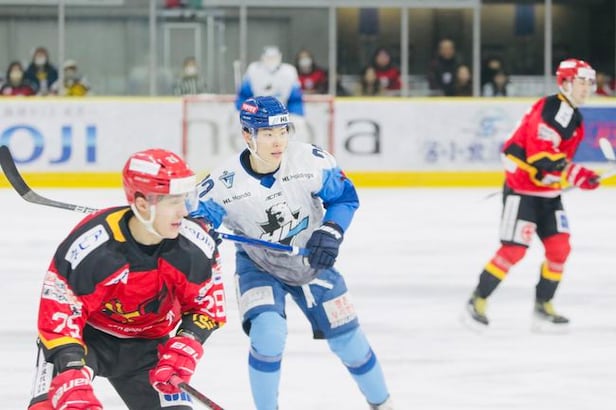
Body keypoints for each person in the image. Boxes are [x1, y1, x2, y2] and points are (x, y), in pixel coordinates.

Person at [193, 96, 394, 410]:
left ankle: (384, 405)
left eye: (283, 131)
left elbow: (344, 197)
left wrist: (331, 231)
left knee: (349, 342)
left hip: (312, 260)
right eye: (268, 134)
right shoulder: (222, 183)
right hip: (258, 265)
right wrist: (201, 234)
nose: (278, 141)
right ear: (247, 135)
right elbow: (196, 225)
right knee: (268, 333)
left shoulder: (310, 161)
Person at [27, 148, 227, 409]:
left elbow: (206, 306)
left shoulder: (195, 247)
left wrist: (187, 341)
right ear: (142, 204)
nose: (183, 212)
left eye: (185, 200)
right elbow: (59, 309)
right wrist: (70, 367)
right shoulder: (92, 247)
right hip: (85, 338)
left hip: (148, 346)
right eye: (172, 202)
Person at [465, 59, 599, 330]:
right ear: (565, 83)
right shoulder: (552, 108)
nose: (587, 88)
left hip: (549, 195)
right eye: (581, 82)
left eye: (589, 82)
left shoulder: (572, 115)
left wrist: (570, 175)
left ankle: (543, 304)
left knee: (559, 248)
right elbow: (540, 155)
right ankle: (478, 298)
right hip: (522, 192)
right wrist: (574, 173)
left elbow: (554, 160)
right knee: (514, 250)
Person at [235, 46, 304, 117]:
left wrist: (295, 116)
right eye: (268, 57)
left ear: (280, 57)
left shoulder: (289, 72)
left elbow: (295, 100)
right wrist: (253, 114)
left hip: (282, 116)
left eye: (274, 57)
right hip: (257, 116)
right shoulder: (253, 70)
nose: (271, 60)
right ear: (262, 57)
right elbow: (244, 98)